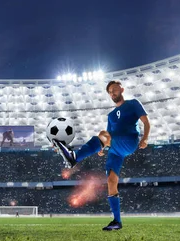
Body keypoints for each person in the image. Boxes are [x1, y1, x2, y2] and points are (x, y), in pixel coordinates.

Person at [53, 80, 150, 231]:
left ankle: (74, 157)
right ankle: (117, 221)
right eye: (110, 92)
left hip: (129, 141)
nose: (112, 93)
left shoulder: (133, 104)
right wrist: (101, 147)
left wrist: (145, 138)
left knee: (102, 135)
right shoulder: (111, 115)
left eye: (115, 90)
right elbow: (107, 134)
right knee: (111, 181)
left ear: (122, 89)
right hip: (115, 149)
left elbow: (146, 122)